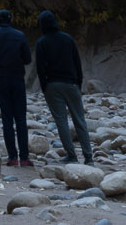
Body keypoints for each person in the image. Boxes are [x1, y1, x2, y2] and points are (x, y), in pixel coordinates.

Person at [33, 10, 93, 164]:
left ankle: (72, 156)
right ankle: (88, 157)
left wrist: (45, 86)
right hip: (71, 84)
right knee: (80, 120)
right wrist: (78, 83)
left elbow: (40, 68)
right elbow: (77, 63)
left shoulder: (41, 42)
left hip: (52, 85)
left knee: (61, 121)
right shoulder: (68, 39)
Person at [0, 7, 32, 168]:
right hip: (17, 78)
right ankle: (24, 157)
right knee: (21, 118)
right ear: (10, 20)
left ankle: (12, 157)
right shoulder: (20, 35)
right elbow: (27, 59)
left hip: (1, 78)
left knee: (7, 119)